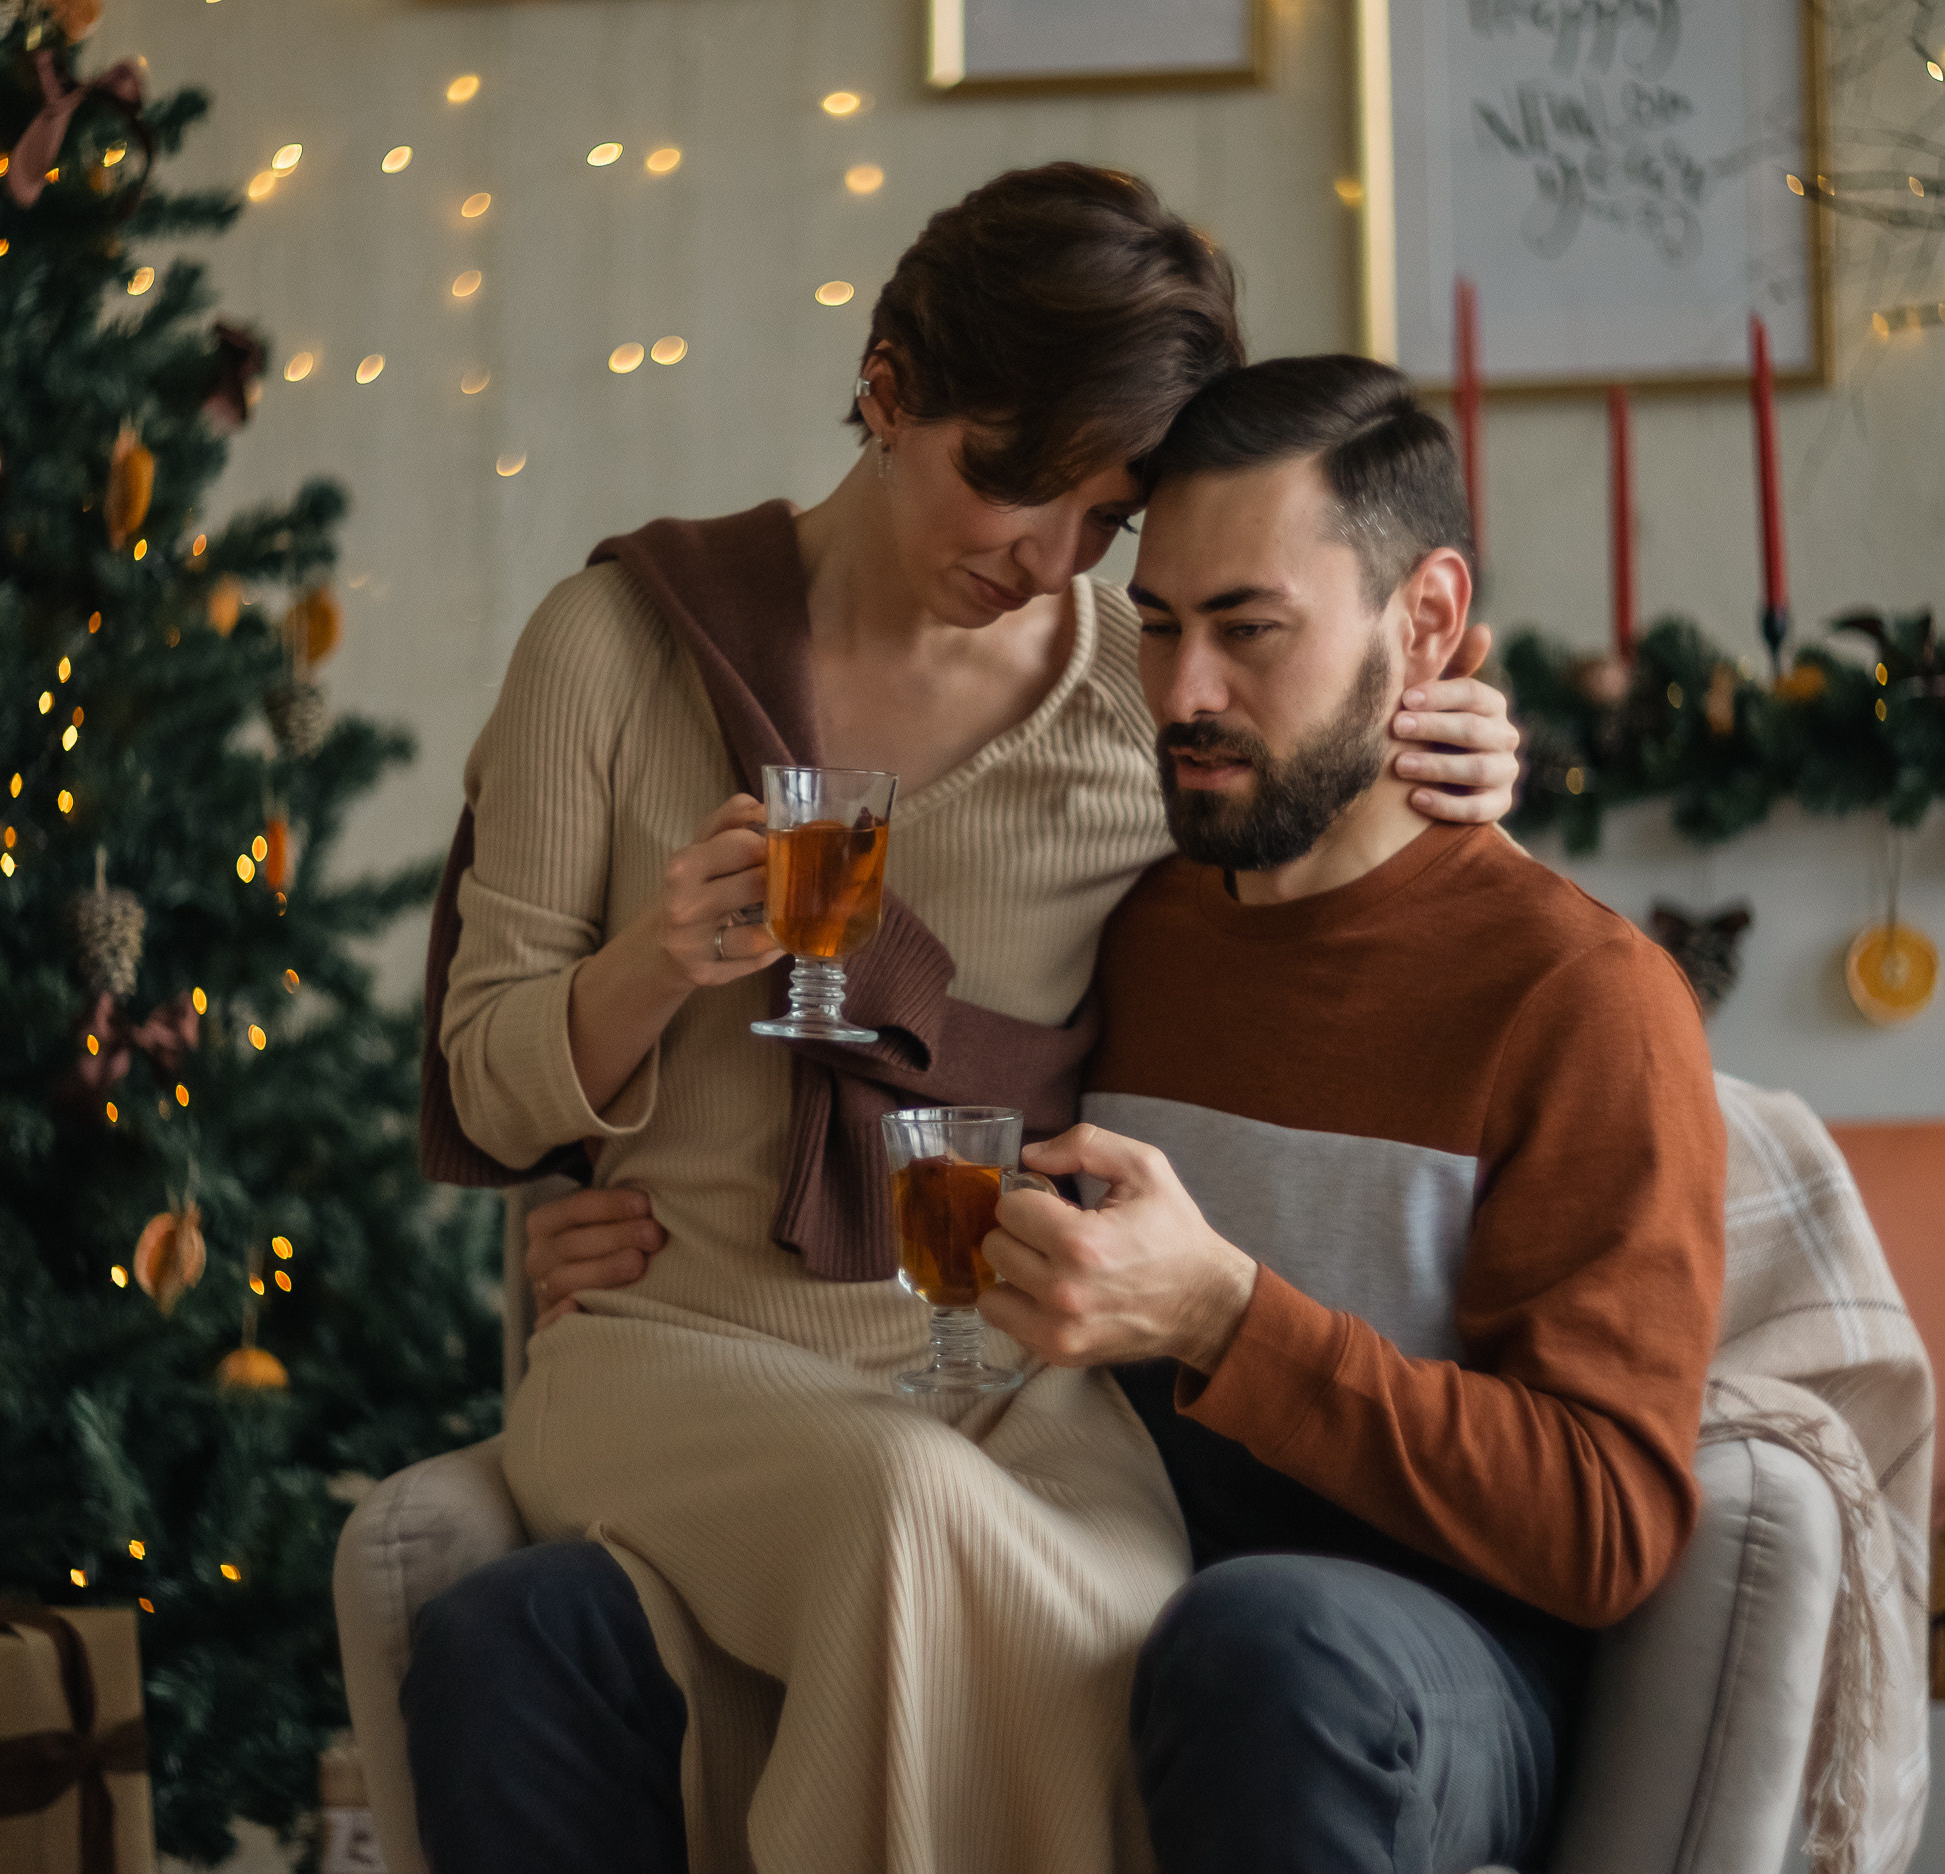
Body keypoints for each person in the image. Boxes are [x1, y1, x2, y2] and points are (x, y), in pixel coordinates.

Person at [408, 168, 1523, 1874]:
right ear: (890, 384)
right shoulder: (613, 653)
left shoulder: (1138, 701)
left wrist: (1472, 756)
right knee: (902, 1513)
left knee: (1111, 1596)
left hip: (998, 1378)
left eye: (1105, 517)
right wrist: (655, 959)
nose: (1046, 558)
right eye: (1013, 481)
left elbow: (1354, 860)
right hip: (674, 1354)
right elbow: (488, 1097)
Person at [974, 354, 1726, 1873]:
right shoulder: (1128, 928)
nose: (1183, 693)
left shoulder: (1582, 996)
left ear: (1429, 622)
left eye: (1251, 629)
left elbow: (1608, 1520)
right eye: (1162, 626)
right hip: (1085, 1558)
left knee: (1265, 1637)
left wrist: (1228, 1318)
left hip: (1425, 1658)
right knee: (546, 1626)